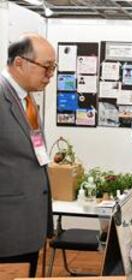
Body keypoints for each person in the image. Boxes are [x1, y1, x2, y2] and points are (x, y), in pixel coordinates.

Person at [0, 34, 56, 277]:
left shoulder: (26, 98)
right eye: (46, 66)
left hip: (25, 224)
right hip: (6, 228)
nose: (50, 74)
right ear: (19, 63)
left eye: (53, 67)